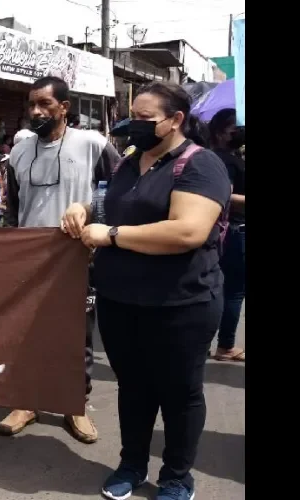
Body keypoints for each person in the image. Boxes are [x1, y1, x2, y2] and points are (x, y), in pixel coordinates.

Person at [62, 81, 231, 500]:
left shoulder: (200, 165)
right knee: (133, 387)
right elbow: (108, 204)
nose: (131, 124)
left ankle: (176, 477)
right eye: (130, 114)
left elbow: (188, 230)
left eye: (144, 118)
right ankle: (131, 464)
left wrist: (112, 235)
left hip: (181, 303)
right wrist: (84, 208)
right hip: (122, 301)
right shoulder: (127, 163)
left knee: (179, 392)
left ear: (175, 121)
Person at [1, 76, 120, 445]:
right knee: (26, 332)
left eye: (45, 104)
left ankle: (75, 406)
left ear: (64, 108)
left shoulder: (93, 145)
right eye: (32, 104)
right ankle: (27, 402)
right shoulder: (18, 153)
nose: (36, 111)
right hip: (29, 258)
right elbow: (14, 209)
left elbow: (121, 193)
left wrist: (90, 213)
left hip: (77, 257)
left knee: (75, 335)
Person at [208, 108, 246, 362]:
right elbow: (225, 196)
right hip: (233, 230)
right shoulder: (223, 160)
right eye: (236, 126)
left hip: (229, 231)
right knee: (233, 290)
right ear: (221, 132)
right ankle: (225, 345)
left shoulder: (229, 157)